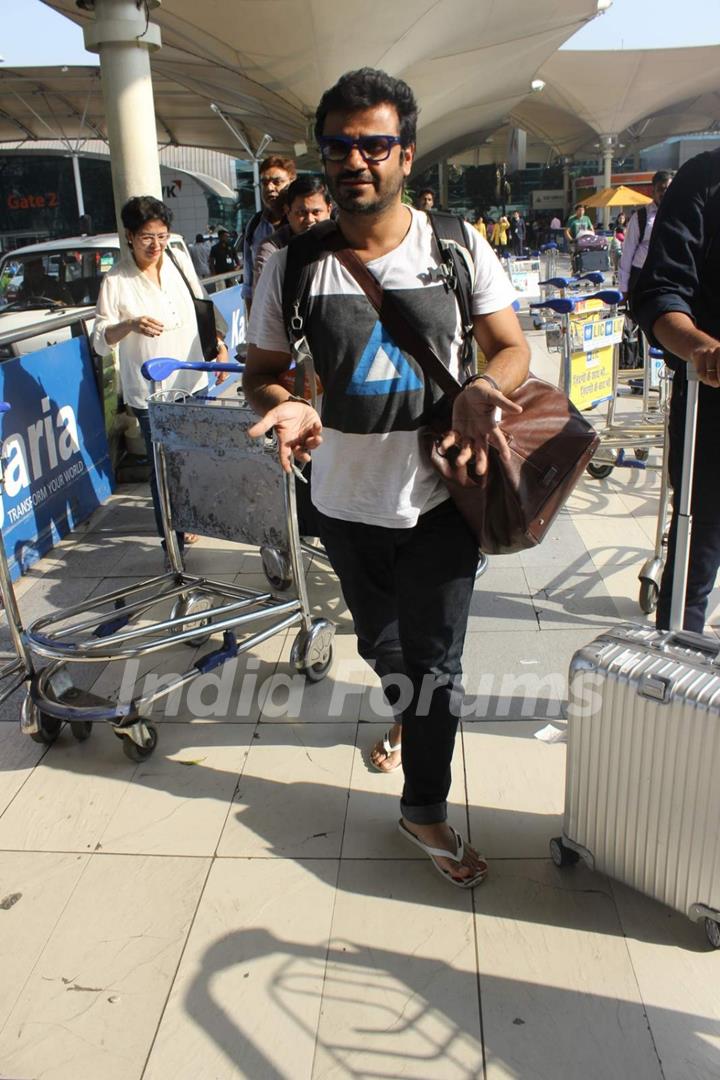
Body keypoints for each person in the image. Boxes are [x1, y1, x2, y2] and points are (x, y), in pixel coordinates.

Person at [243, 67, 529, 888]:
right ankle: (408, 708)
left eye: (374, 144)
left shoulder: (455, 247)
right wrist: (289, 404)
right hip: (340, 499)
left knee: (436, 664)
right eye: (340, 146)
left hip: (443, 494)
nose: (356, 160)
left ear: (406, 152)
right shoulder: (291, 265)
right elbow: (260, 369)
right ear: (323, 156)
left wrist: (483, 385)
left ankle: (424, 807)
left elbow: (511, 347)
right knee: (385, 646)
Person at [93, 196, 228, 557]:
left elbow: (203, 305)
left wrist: (217, 341)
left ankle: (190, 518)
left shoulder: (178, 260)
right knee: (161, 465)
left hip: (193, 376)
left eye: (162, 235)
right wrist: (129, 324)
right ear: (130, 236)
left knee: (193, 456)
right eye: (147, 237)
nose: (155, 245)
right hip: (152, 391)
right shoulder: (117, 280)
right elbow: (100, 340)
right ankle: (172, 538)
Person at [634, 151, 720, 634]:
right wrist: (702, 349)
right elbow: (659, 294)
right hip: (712, 409)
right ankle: (671, 689)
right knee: (696, 558)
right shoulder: (705, 180)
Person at [253, 175, 333, 285]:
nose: (310, 220)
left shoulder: (345, 242)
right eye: (301, 213)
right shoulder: (272, 249)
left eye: (316, 212)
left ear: (329, 210)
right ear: (287, 211)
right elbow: (263, 297)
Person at [242, 156, 296, 315]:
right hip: (267, 316)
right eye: (264, 183)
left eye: (277, 182)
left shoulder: (302, 222)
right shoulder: (254, 225)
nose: (270, 188)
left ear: (291, 182)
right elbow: (249, 282)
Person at [618, 171, 674, 311]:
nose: (665, 193)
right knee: (643, 319)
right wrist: (624, 289)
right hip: (642, 276)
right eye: (661, 189)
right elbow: (627, 254)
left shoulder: (679, 215)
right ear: (653, 191)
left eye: (669, 189)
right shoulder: (641, 217)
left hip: (669, 276)